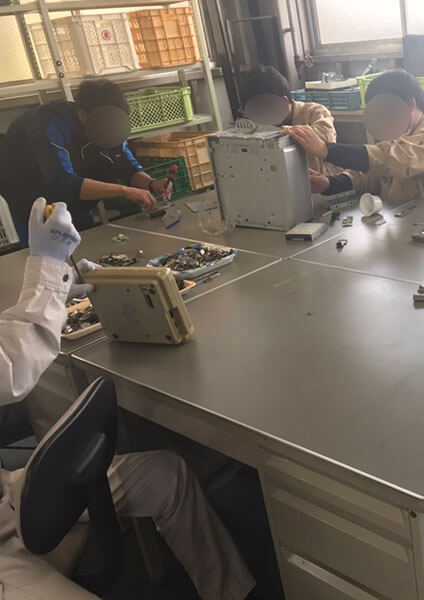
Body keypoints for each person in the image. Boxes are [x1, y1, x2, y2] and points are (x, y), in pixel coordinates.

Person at [0, 199, 256, 600]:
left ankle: (230, 593)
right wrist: (46, 273)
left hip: (11, 495)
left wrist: (54, 292)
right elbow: (8, 371)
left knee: (166, 475)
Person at [0, 79, 170, 248]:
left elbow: (125, 164)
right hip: (34, 199)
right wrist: (124, 191)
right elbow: (64, 183)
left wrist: (151, 183)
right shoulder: (49, 124)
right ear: (83, 115)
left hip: (76, 201)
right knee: (46, 255)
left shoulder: (109, 124)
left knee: (88, 245)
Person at [284, 69, 424, 204]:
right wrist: (329, 183)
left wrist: (326, 150)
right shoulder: (399, 132)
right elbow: (370, 174)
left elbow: (392, 160)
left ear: (410, 104)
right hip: (406, 221)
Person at [241, 65, 339, 175]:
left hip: (321, 180)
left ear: (284, 101)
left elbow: (326, 138)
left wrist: (280, 132)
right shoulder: (255, 123)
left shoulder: (315, 111)